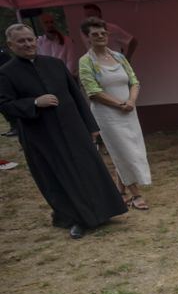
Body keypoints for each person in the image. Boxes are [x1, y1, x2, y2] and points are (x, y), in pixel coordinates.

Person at [0, 24, 127, 239]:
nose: (28, 44)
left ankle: (105, 211)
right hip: (41, 135)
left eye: (30, 39)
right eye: (21, 41)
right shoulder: (6, 73)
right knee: (60, 176)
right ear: (11, 45)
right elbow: (4, 104)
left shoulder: (55, 64)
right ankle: (76, 219)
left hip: (73, 128)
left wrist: (91, 126)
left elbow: (76, 95)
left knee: (88, 169)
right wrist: (34, 103)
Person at [79, 17, 152, 211]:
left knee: (132, 149)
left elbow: (134, 81)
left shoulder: (119, 57)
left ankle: (120, 190)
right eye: (95, 34)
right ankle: (136, 195)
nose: (100, 36)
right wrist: (119, 104)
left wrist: (131, 101)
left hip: (129, 111)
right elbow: (92, 91)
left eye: (103, 33)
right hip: (108, 115)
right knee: (122, 151)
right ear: (87, 37)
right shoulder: (86, 62)